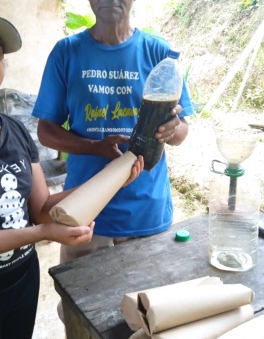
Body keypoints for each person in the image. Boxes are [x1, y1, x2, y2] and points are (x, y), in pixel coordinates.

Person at [0, 5, 142, 339]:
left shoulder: (14, 131)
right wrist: (41, 233)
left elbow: (41, 207)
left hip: (20, 283)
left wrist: (113, 179)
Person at [33, 0, 194, 265]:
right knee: (80, 302)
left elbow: (181, 131)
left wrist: (172, 128)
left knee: (145, 303)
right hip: (84, 212)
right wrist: (94, 146)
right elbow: (46, 132)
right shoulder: (66, 52)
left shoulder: (159, 54)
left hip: (145, 211)